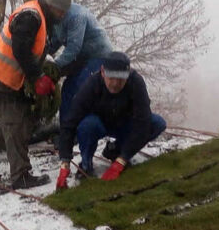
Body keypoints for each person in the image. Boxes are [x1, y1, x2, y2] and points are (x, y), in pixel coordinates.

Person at [0, 0, 72, 189]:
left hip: (7, 77)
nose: (62, 16)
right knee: (15, 125)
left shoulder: (37, 14)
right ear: (51, 6)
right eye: (61, 12)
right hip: (2, 78)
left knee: (16, 124)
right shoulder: (32, 17)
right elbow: (20, 49)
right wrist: (37, 77)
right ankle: (20, 176)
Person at [55, 51, 167, 188]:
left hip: (125, 124)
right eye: (111, 78)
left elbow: (142, 122)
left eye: (120, 79)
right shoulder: (91, 85)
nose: (115, 84)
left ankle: (116, 151)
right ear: (102, 72)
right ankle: (86, 164)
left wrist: (122, 159)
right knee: (87, 125)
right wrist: (65, 162)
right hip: (99, 124)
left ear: (128, 74)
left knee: (157, 123)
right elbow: (70, 122)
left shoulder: (136, 83)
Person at [48, 1, 113, 121]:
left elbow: (73, 48)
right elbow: (55, 41)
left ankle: (81, 129)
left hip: (98, 55)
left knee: (82, 88)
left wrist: (55, 65)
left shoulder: (76, 16)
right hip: (82, 57)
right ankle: (65, 130)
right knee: (68, 89)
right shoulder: (56, 19)